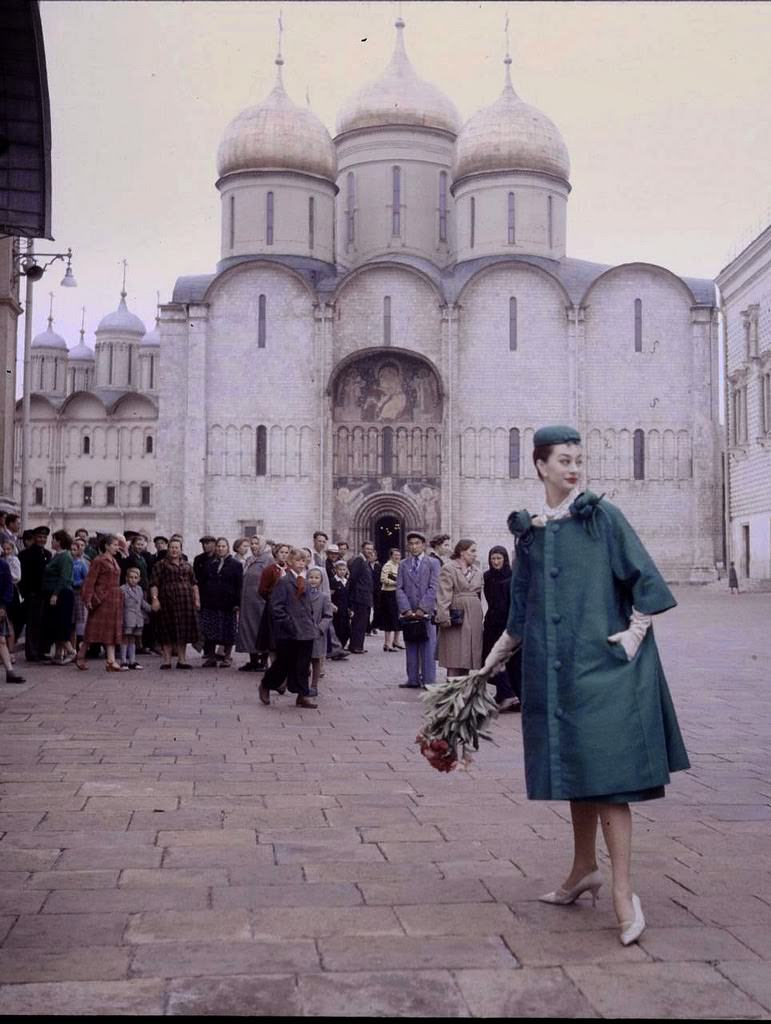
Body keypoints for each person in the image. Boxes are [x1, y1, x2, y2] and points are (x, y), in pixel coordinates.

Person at [477, 424, 690, 947]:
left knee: (610, 777)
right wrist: (489, 664)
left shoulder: (602, 516)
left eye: (579, 460)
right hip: (556, 672)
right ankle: (581, 870)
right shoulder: (530, 531)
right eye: (564, 460)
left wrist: (634, 635)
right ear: (540, 465)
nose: (573, 468)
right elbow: (520, 610)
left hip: (607, 666)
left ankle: (622, 892)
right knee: (576, 767)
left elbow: (645, 578)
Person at [259, 547, 318, 709]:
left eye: (304, 561)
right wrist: (288, 624)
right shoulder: (284, 582)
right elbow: (276, 607)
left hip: (305, 630)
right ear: (290, 562)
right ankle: (266, 684)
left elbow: (307, 605)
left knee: (304, 664)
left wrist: (311, 624)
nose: (301, 564)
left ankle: (302, 694)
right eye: (298, 560)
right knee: (283, 663)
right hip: (289, 632)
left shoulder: (304, 581)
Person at [395, 531, 440, 689]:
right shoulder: (403, 564)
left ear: (423, 545)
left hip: (426, 611)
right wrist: (406, 609)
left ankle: (429, 680)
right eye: (411, 544)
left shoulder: (433, 563)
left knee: (428, 645)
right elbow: (399, 588)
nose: (414, 546)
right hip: (409, 611)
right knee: (411, 643)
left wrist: (423, 607)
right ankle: (412, 678)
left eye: (417, 543)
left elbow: (434, 587)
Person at [435, 538, 484, 678]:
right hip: (456, 614)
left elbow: (480, 594)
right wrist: (443, 616)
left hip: (473, 616)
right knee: (454, 655)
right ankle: (451, 693)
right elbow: (444, 593)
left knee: (467, 657)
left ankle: (463, 692)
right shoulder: (449, 568)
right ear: (462, 552)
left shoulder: (477, 571)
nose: (475, 554)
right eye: (472, 551)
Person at [149, 538, 200, 669]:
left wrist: (197, 600)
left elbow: (194, 584)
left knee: (183, 631)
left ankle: (182, 660)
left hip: (185, 602)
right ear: (168, 549)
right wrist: (155, 599)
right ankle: (166, 661)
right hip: (167, 602)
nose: (174, 550)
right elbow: (154, 584)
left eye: (177, 547)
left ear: (181, 549)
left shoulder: (187, 565)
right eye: (171, 547)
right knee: (167, 630)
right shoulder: (160, 565)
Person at [482, 546, 521, 712]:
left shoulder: (512, 577)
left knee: (510, 661)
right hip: (492, 623)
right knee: (493, 659)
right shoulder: (487, 576)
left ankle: (512, 695)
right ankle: (503, 693)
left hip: (507, 623)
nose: (496, 562)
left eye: (499, 558)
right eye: (493, 559)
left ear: (505, 559)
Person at [79, 534, 124, 671]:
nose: (117, 547)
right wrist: (88, 598)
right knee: (93, 630)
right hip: (102, 598)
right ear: (107, 546)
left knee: (111, 630)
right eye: (115, 545)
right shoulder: (99, 560)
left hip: (114, 599)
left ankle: (111, 661)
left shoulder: (114, 560)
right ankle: (81, 655)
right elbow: (90, 580)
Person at [199, 537, 243, 668]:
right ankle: (211, 657)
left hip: (228, 603)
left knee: (228, 630)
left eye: (223, 546)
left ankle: (227, 656)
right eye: (218, 546)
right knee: (210, 630)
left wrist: (237, 603)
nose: (220, 548)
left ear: (228, 548)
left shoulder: (236, 564)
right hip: (211, 602)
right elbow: (203, 582)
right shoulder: (210, 564)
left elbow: (239, 585)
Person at [237, 536, 273, 672]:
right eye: (251, 543)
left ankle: (263, 661)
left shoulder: (268, 560)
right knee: (248, 631)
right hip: (247, 603)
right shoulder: (250, 560)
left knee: (261, 631)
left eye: (257, 543)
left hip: (260, 602)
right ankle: (252, 660)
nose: (253, 546)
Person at [42, 529, 77, 665]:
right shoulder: (57, 555)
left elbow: (64, 577)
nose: (52, 542)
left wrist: (55, 594)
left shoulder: (65, 556)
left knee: (60, 624)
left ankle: (71, 651)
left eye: (54, 539)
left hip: (62, 594)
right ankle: (57, 655)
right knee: (55, 624)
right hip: (55, 593)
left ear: (60, 542)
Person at [18, 526, 52, 662]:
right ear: (34, 538)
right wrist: (26, 593)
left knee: (43, 623)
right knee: (32, 624)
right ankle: (31, 652)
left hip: (45, 594)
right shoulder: (25, 555)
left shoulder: (48, 554)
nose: (42, 540)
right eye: (39, 537)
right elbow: (23, 577)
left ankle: (41, 650)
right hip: (32, 594)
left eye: (44, 537)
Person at [257, 542, 290, 658]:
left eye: (286, 553)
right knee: (272, 639)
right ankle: (273, 667)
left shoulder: (290, 569)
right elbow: (262, 590)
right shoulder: (269, 570)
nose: (284, 555)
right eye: (282, 552)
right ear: (276, 553)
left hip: (288, 608)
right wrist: (273, 599)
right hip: (273, 608)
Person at [307, 567, 334, 697]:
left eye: (316, 578)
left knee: (316, 660)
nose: (313, 580)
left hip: (317, 634)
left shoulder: (324, 597)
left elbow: (328, 615)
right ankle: (303, 685)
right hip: (304, 632)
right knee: (303, 660)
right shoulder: (302, 594)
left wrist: (320, 628)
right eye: (311, 577)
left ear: (321, 580)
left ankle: (314, 685)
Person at [120, 567, 152, 669]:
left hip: (138, 618)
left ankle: (132, 660)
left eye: (135, 577)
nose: (133, 580)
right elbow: (120, 604)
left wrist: (151, 608)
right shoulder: (122, 589)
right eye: (131, 577)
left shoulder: (139, 589)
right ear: (126, 578)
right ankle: (123, 660)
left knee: (133, 639)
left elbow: (142, 602)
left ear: (139, 579)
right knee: (125, 638)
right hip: (127, 617)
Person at [348, 541, 375, 653]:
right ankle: (355, 646)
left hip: (365, 597)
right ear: (362, 548)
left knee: (363, 622)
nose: (369, 551)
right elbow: (353, 578)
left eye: (371, 549)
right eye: (367, 548)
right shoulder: (359, 560)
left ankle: (359, 645)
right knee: (359, 622)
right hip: (359, 596)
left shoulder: (366, 562)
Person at [0, 557, 24, 683]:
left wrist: (3, 606)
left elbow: (8, 586)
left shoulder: (3, 565)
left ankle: (10, 672)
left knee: (2, 640)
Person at [379, 548, 404, 652]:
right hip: (388, 594)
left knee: (398, 617)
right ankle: (387, 643)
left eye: (399, 555)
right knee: (389, 618)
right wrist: (396, 582)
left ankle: (396, 641)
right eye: (395, 555)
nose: (397, 557)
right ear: (391, 556)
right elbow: (383, 579)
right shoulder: (388, 566)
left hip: (397, 593)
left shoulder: (399, 565)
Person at [1, 540, 22, 655]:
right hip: (3, 589)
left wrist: (7, 576)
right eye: (4, 549)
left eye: (8, 549)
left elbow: (17, 576)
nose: (6, 551)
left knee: (10, 622)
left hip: (11, 590)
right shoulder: (3, 560)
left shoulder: (14, 560)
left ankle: (11, 651)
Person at [70, 536, 90, 655]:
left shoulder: (82, 563)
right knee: (70, 622)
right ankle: (71, 649)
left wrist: (76, 583)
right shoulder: (68, 561)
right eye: (71, 549)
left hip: (78, 593)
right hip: (68, 592)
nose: (73, 552)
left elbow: (87, 579)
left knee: (79, 620)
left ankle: (79, 648)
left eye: (75, 549)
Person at [330, 559, 351, 650]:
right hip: (337, 609)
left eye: (344, 569)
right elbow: (330, 595)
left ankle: (342, 646)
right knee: (337, 629)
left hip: (345, 609)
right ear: (335, 570)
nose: (342, 572)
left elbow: (349, 596)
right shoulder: (333, 581)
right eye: (340, 569)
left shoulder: (346, 582)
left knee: (347, 629)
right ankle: (337, 648)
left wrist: (351, 608)